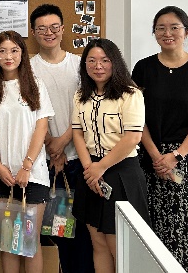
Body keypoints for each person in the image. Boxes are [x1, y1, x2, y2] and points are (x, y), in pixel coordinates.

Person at [132, 6, 188, 273]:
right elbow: (136, 118)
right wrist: (156, 156)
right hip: (151, 157)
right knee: (154, 223)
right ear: (154, 33)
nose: (167, 33)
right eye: (161, 28)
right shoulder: (143, 68)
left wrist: (176, 155)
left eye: (174, 27)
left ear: (186, 32)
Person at [71, 38, 149, 273]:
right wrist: (90, 169)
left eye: (105, 60)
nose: (98, 66)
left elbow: (133, 138)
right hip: (91, 174)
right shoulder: (81, 95)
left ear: (115, 62)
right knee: (99, 244)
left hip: (121, 173)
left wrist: (100, 167)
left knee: (120, 249)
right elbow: (77, 133)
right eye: (92, 61)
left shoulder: (130, 94)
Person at [29, 4, 94, 273]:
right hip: (43, 163)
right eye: (42, 28)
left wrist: (63, 141)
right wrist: (51, 147)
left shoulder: (80, 65)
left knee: (83, 233)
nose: (49, 33)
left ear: (63, 29)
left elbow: (88, 108)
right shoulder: (28, 68)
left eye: (54, 27)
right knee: (55, 232)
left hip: (79, 158)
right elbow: (30, 112)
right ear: (33, 33)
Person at [0, 30, 53, 273]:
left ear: (22, 54)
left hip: (33, 175)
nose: (9, 56)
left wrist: (27, 166)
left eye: (14, 50)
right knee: (8, 243)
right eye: (2, 51)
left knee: (29, 242)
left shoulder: (35, 85)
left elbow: (41, 127)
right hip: (1, 176)